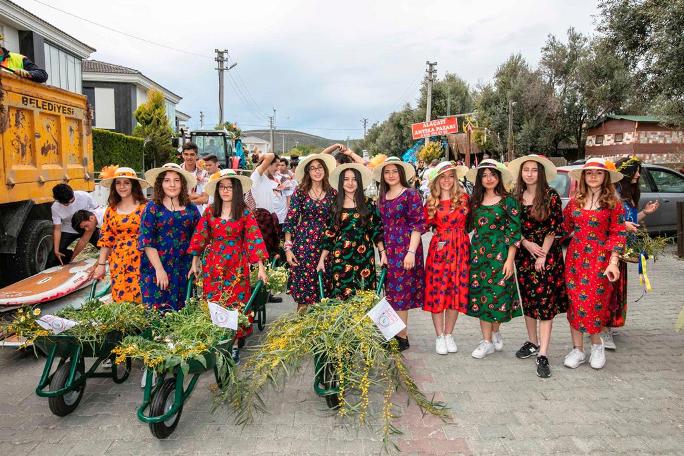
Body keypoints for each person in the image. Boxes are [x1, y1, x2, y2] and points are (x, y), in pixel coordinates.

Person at [188, 169, 268, 362]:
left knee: (234, 305)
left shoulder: (244, 213)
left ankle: (232, 345)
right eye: (222, 187)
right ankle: (217, 342)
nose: (225, 191)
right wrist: (194, 264)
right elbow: (199, 238)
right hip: (213, 266)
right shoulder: (210, 211)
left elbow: (254, 238)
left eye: (229, 187)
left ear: (237, 190)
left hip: (237, 266)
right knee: (214, 303)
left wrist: (261, 267)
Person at [563, 159, 626, 370]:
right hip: (575, 259)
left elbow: (618, 234)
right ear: (583, 177)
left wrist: (614, 262)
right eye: (588, 173)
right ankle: (578, 349)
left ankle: (597, 346)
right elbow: (563, 228)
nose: (592, 177)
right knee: (574, 303)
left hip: (600, 260)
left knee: (594, 303)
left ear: (605, 177)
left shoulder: (614, 204)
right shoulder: (574, 202)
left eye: (598, 174)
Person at [508, 155, 568, 378]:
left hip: (546, 256)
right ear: (521, 173)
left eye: (534, 170)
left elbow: (554, 227)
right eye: (526, 170)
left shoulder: (551, 196)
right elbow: (512, 226)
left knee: (544, 304)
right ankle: (532, 342)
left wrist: (541, 254)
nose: (530, 173)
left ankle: (543, 353)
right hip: (524, 255)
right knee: (529, 300)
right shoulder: (515, 197)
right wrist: (526, 243)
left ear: (540, 173)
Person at [465, 159, 522, 359]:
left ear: (498, 177)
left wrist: (510, 260)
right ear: (480, 179)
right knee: (482, 298)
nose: (489, 179)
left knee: (497, 298)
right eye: (484, 175)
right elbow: (466, 227)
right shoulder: (474, 201)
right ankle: (486, 341)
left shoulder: (509, 201)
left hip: (500, 255)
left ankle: (495, 331)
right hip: (478, 256)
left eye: (492, 174)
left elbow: (514, 233)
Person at [604, 156, 660, 349]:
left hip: (624, 250)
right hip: (611, 249)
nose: (638, 174)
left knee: (618, 290)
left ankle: (610, 324)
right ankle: (603, 330)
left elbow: (632, 222)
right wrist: (623, 225)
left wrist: (646, 212)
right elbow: (609, 221)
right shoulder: (614, 193)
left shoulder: (629, 193)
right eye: (635, 170)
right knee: (608, 289)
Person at [374, 157, 425, 351]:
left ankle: (402, 337)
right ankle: (393, 332)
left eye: (395, 171)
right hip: (390, 251)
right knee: (392, 294)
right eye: (387, 172)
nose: (391, 175)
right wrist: (383, 253)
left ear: (401, 173)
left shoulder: (410, 194)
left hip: (406, 250)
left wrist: (411, 252)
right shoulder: (382, 197)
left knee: (401, 294)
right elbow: (378, 227)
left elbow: (418, 225)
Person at [317, 163, 386, 300]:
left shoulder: (368, 204)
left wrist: (383, 253)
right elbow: (330, 234)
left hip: (365, 257)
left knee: (365, 297)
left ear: (359, 182)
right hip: (341, 258)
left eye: (354, 179)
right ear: (341, 182)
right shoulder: (335, 205)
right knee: (341, 297)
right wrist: (321, 259)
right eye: (346, 179)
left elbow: (375, 230)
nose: (350, 183)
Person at [423, 162, 470, 355]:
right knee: (438, 292)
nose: (446, 180)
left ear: (455, 178)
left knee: (455, 293)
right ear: (436, 180)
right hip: (439, 251)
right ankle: (439, 336)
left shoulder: (464, 199)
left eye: (450, 176)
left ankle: (449, 334)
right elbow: (421, 226)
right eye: (442, 177)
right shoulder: (431, 202)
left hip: (460, 250)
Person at [139, 163, 201, 312]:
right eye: (167, 180)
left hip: (183, 268)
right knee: (156, 312)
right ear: (160, 184)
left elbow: (198, 238)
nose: (172, 185)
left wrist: (195, 263)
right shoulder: (152, 207)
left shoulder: (191, 208)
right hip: (156, 267)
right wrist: (159, 270)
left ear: (182, 183)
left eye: (176, 180)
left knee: (183, 312)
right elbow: (147, 241)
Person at [283, 153, 337, 311]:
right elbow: (290, 220)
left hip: (326, 245)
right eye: (312, 168)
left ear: (325, 170)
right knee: (304, 293)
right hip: (303, 246)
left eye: (320, 167)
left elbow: (336, 221)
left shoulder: (333, 193)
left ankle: (320, 330)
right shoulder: (300, 192)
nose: (317, 171)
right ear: (308, 172)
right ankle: (301, 330)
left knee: (324, 290)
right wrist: (288, 248)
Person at [91, 167, 149, 303]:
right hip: (118, 260)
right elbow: (106, 239)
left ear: (133, 185)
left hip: (142, 258)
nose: (122, 187)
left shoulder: (146, 208)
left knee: (143, 297)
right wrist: (100, 264)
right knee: (121, 299)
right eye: (118, 183)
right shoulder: (111, 210)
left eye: (126, 183)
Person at [50, 183, 99, 265]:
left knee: (106, 245)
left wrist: (90, 229)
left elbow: (97, 212)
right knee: (55, 255)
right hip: (68, 228)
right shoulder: (55, 208)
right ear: (57, 200)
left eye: (72, 201)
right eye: (66, 204)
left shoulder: (84, 196)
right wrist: (56, 250)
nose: (70, 204)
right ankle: (65, 265)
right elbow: (57, 229)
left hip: (88, 226)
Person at [180, 143, 209, 207]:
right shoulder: (177, 172)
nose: (189, 157)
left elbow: (205, 199)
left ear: (197, 155)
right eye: (186, 154)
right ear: (182, 155)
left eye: (192, 154)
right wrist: (198, 196)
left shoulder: (204, 173)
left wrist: (185, 200)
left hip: (198, 213)